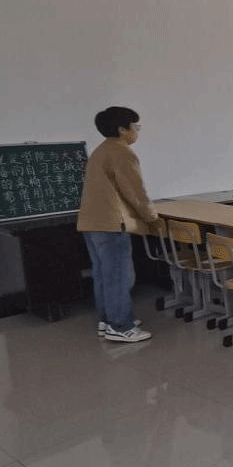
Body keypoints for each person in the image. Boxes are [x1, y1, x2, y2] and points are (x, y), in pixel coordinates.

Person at [77, 106, 161, 343]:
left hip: (91, 223)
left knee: (104, 275)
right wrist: (152, 217)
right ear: (123, 129)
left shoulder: (101, 150)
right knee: (120, 277)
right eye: (135, 126)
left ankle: (107, 320)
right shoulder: (122, 152)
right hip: (111, 224)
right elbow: (135, 191)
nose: (137, 131)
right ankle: (121, 326)